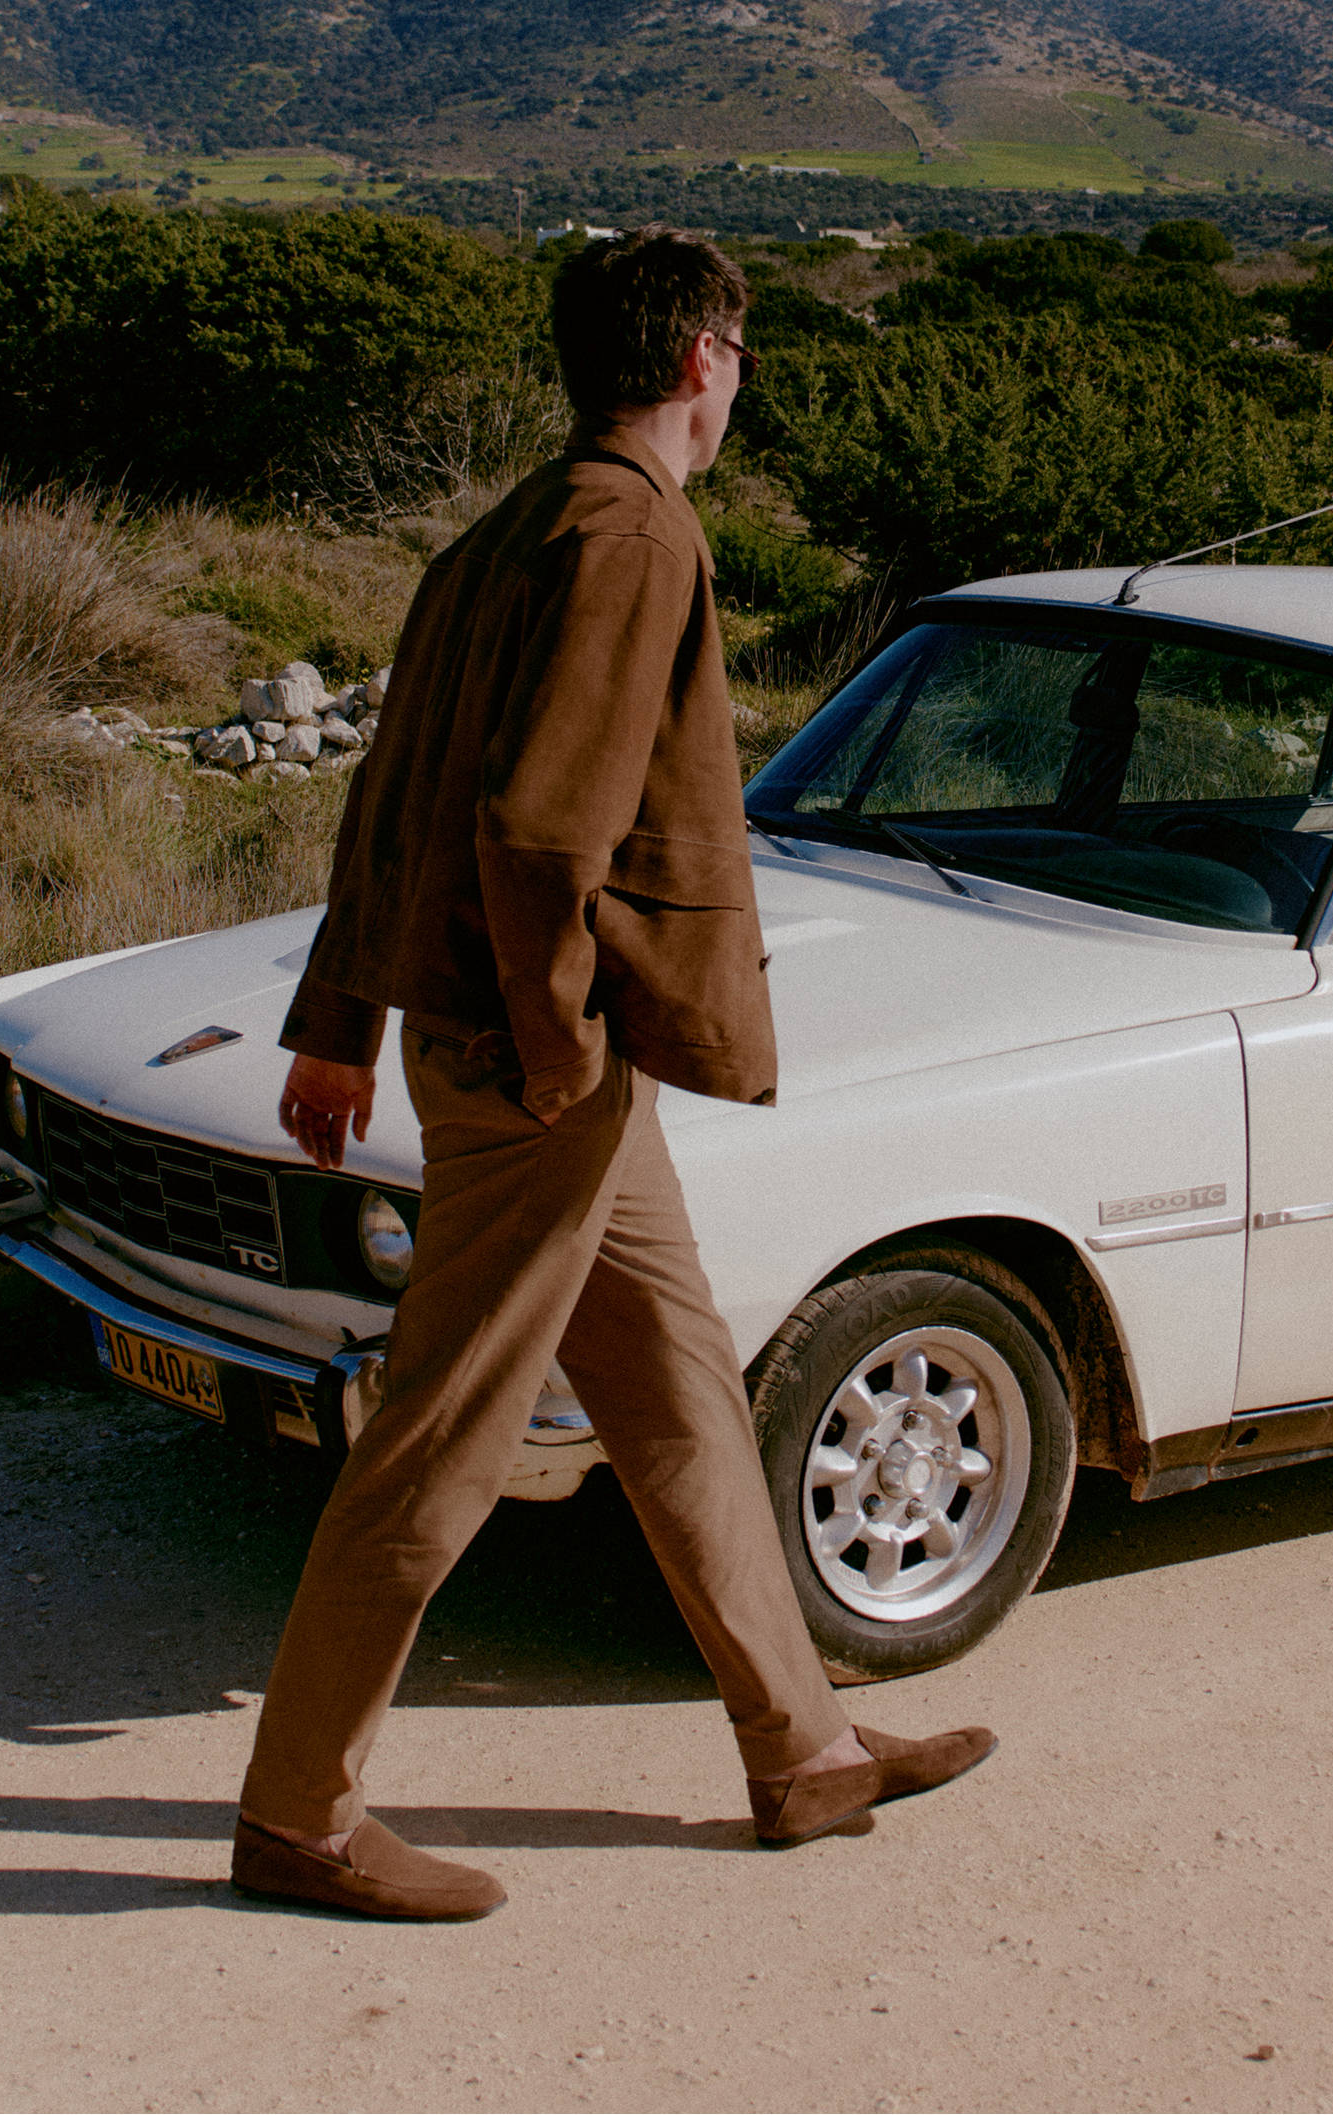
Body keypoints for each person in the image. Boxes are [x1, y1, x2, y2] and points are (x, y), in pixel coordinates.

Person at [230, 228, 993, 1921]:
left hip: (528, 1049)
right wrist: (561, 1045)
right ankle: (298, 1817)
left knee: (676, 1386)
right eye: (740, 351)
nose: (740, 380)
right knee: (442, 1434)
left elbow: (397, 790)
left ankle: (804, 1754)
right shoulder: (637, 533)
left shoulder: (510, 527)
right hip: (541, 1061)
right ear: (705, 356)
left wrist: (342, 1016)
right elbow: (531, 829)